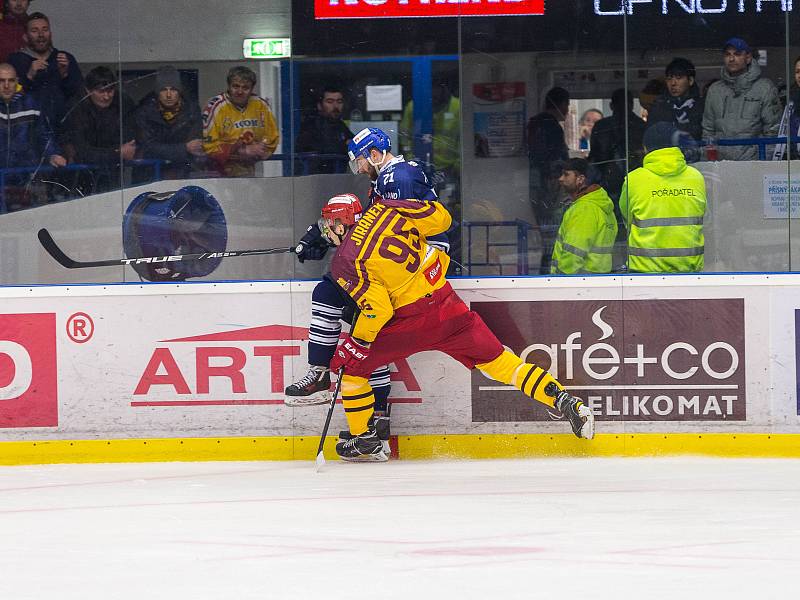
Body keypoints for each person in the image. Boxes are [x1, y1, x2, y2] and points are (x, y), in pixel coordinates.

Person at [320, 194, 593, 462]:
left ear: (341, 224)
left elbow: (377, 310)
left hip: (409, 322)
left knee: (353, 370)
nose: (328, 231)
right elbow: (441, 218)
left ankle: (364, 439)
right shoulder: (386, 211)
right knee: (501, 362)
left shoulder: (345, 260)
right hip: (446, 305)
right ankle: (565, 401)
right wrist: (397, 202)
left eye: (330, 224)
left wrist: (356, 344)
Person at [284, 128, 450, 451]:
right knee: (365, 331)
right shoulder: (390, 177)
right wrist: (323, 233)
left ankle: (325, 378)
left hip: (408, 275)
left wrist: (333, 236)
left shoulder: (395, 179)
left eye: (360, 161)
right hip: (404, 269)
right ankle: (377, 419)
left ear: (375, 154)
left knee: (336, 302)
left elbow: (388, 231)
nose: (358, 168)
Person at [620, 122, 707, 273]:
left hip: (644, 273)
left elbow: (627, 222)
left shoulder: (633, 180)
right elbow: (703, 215)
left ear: (645, 148)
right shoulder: (696, 177)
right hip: (689, 274)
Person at [702, 37, 782, 161]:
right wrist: (710, 164)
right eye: (727, 54)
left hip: (754, 166)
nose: (731, 58)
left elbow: (773, 132)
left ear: (748, 57)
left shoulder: (765, 88)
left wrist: (764, 166)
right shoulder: (714, 90)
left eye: (737, 54)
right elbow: (707, 132)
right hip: (720, 167)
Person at [0, 61, 65, 210]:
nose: (6, 85)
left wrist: (52, 154)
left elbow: (44, 134)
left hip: (26, 180)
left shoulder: (31, 104)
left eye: (10, 80)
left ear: (17, 81)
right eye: (2, 81)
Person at [62, 66, 136, 194]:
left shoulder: (124, 103)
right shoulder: (75, 108)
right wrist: (116, 153)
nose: (106, 96)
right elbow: (81, 151)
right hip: (81, 178)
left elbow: (131, 140)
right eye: (101, 91)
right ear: (88, 91)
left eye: (110, 90)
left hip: (114, 176)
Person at [7, 11, 82, 131]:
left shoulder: (64, 58)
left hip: (62, 129)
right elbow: (7, 97)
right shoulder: (15, 61)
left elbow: (79, 97)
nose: (41, 34)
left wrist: (64, 75)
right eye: (35, 31)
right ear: (25, 37)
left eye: (45, 29)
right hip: (27, 129)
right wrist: (29, 76)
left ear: (50, 34)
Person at [202, 66, 279, 177]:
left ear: (252, 89)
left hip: (249, 173)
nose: (240, 91)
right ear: (229, 86)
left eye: (245, 87)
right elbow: (209, 147)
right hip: (218, 174)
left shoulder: (261, 105)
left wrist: (260, 149)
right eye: (235, 86)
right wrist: (241, 151)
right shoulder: (215, 106)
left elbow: (272, 137)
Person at [527, 86, 570, 274]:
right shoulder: (550, 126)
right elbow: (551, 159)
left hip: (537, 186)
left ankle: (545, 270)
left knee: (546, 236)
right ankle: (547, 272)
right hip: (546, 189)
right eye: (566, 105)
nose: (567, 111)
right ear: (559, 104)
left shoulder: (536, 124)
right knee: (551, 236)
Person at [135, 66, 204, 180]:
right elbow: (147, 148)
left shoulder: (192, 110)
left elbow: (195, 145)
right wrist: (184, 148)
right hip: (150, 175)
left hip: (183, 174)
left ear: (179, 91)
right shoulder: (144, 111)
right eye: (163, 89)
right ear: (157, 92)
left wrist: (168, 150)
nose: (168, 95)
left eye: (173, 89)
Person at [551, 158, 617, 275]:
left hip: (577, 284)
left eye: (566, 174)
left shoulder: (584, 209)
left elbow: (573, 256)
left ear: (580, 179)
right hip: (595, 282)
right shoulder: (601, 206)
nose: (561, 179)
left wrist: (559, 282)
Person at [589, 88, 647, 202]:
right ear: (632, 104)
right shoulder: (641, 125)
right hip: (635, 177)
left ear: (611, 105)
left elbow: (595, 156)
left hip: (608, 179)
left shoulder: (601, 126)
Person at [294, 85, 353, 175]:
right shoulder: (311, 126)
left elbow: (355, 143)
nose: (335, 106)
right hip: (316, 180)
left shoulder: (340, 126)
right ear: (320, 106)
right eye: (330, 102)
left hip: (338, 179)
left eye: (339, 101)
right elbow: (324, 149)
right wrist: (344, 145)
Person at [647, 58, 704, 141]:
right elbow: (651, 137)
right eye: (669, 78)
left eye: (678, 77)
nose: (673, 83)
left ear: (690, 80)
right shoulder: (658, 107)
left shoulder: (702, 107)